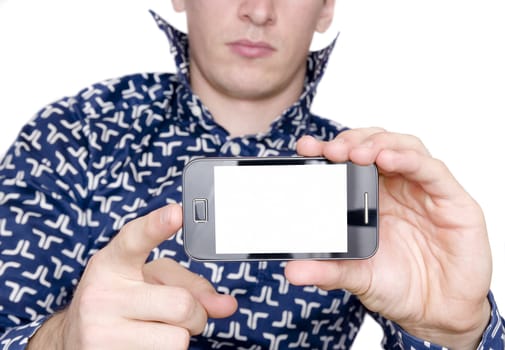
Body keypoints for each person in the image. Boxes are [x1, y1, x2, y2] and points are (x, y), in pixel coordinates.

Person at [0, 1, 503, 349]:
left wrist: (455, 334)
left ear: (326, 6)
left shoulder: (372, 183)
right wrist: (57, 341)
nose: (259, 11)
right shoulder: (73, 134)